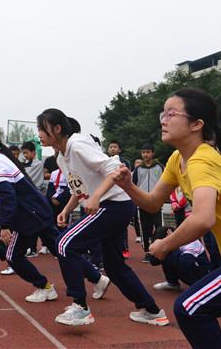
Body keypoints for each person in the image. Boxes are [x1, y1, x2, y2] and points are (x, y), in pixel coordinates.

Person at [113, 87, 221, 348]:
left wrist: (165, 245)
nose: (163, 119)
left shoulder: (202, 161)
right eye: (163, 113)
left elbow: (203, 219)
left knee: (190, 309)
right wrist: (129, 186)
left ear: (196, 124)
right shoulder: (177, 159)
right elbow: (152, 203)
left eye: (171, 113)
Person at [37, 109, 167, 327]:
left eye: (42, 129)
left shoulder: (77, 146)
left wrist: (97, 196)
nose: (39, 133)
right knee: (115, 267)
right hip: (112, 205)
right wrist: (67, 210)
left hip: (114, 204)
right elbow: (78, 188)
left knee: (64, 244)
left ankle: (80, 307)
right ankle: (152, 311)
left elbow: (116, 169)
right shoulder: (61, 157)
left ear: (57, 129)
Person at [0, 128, 64, 304]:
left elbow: (8, 195)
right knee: (63, 249)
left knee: (14, 256)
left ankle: (45, 287)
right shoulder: (0, 159)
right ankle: (97, 278)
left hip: (30, 215)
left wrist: (4, 225)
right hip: (37, 211)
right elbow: (9, 189)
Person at [132, 143, 164, 262]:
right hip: (142, 203)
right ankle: (147, 252)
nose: (146, 154)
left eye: (148, 152)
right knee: (145, 229)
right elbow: (133, 185)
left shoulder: (160, 167)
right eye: (143, 152)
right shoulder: (138, 169)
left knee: (159, 228)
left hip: (157, 202)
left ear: (153, 153)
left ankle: (158, 250)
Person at [108, 140, 132, 259]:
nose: (112, 149)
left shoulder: (125, 162)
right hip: (108, 196)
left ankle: (124, 249)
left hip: (122, 195)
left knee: (122, 227)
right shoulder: (104, 160)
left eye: (115, 147)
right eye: (111, 147)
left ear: (119, 150)